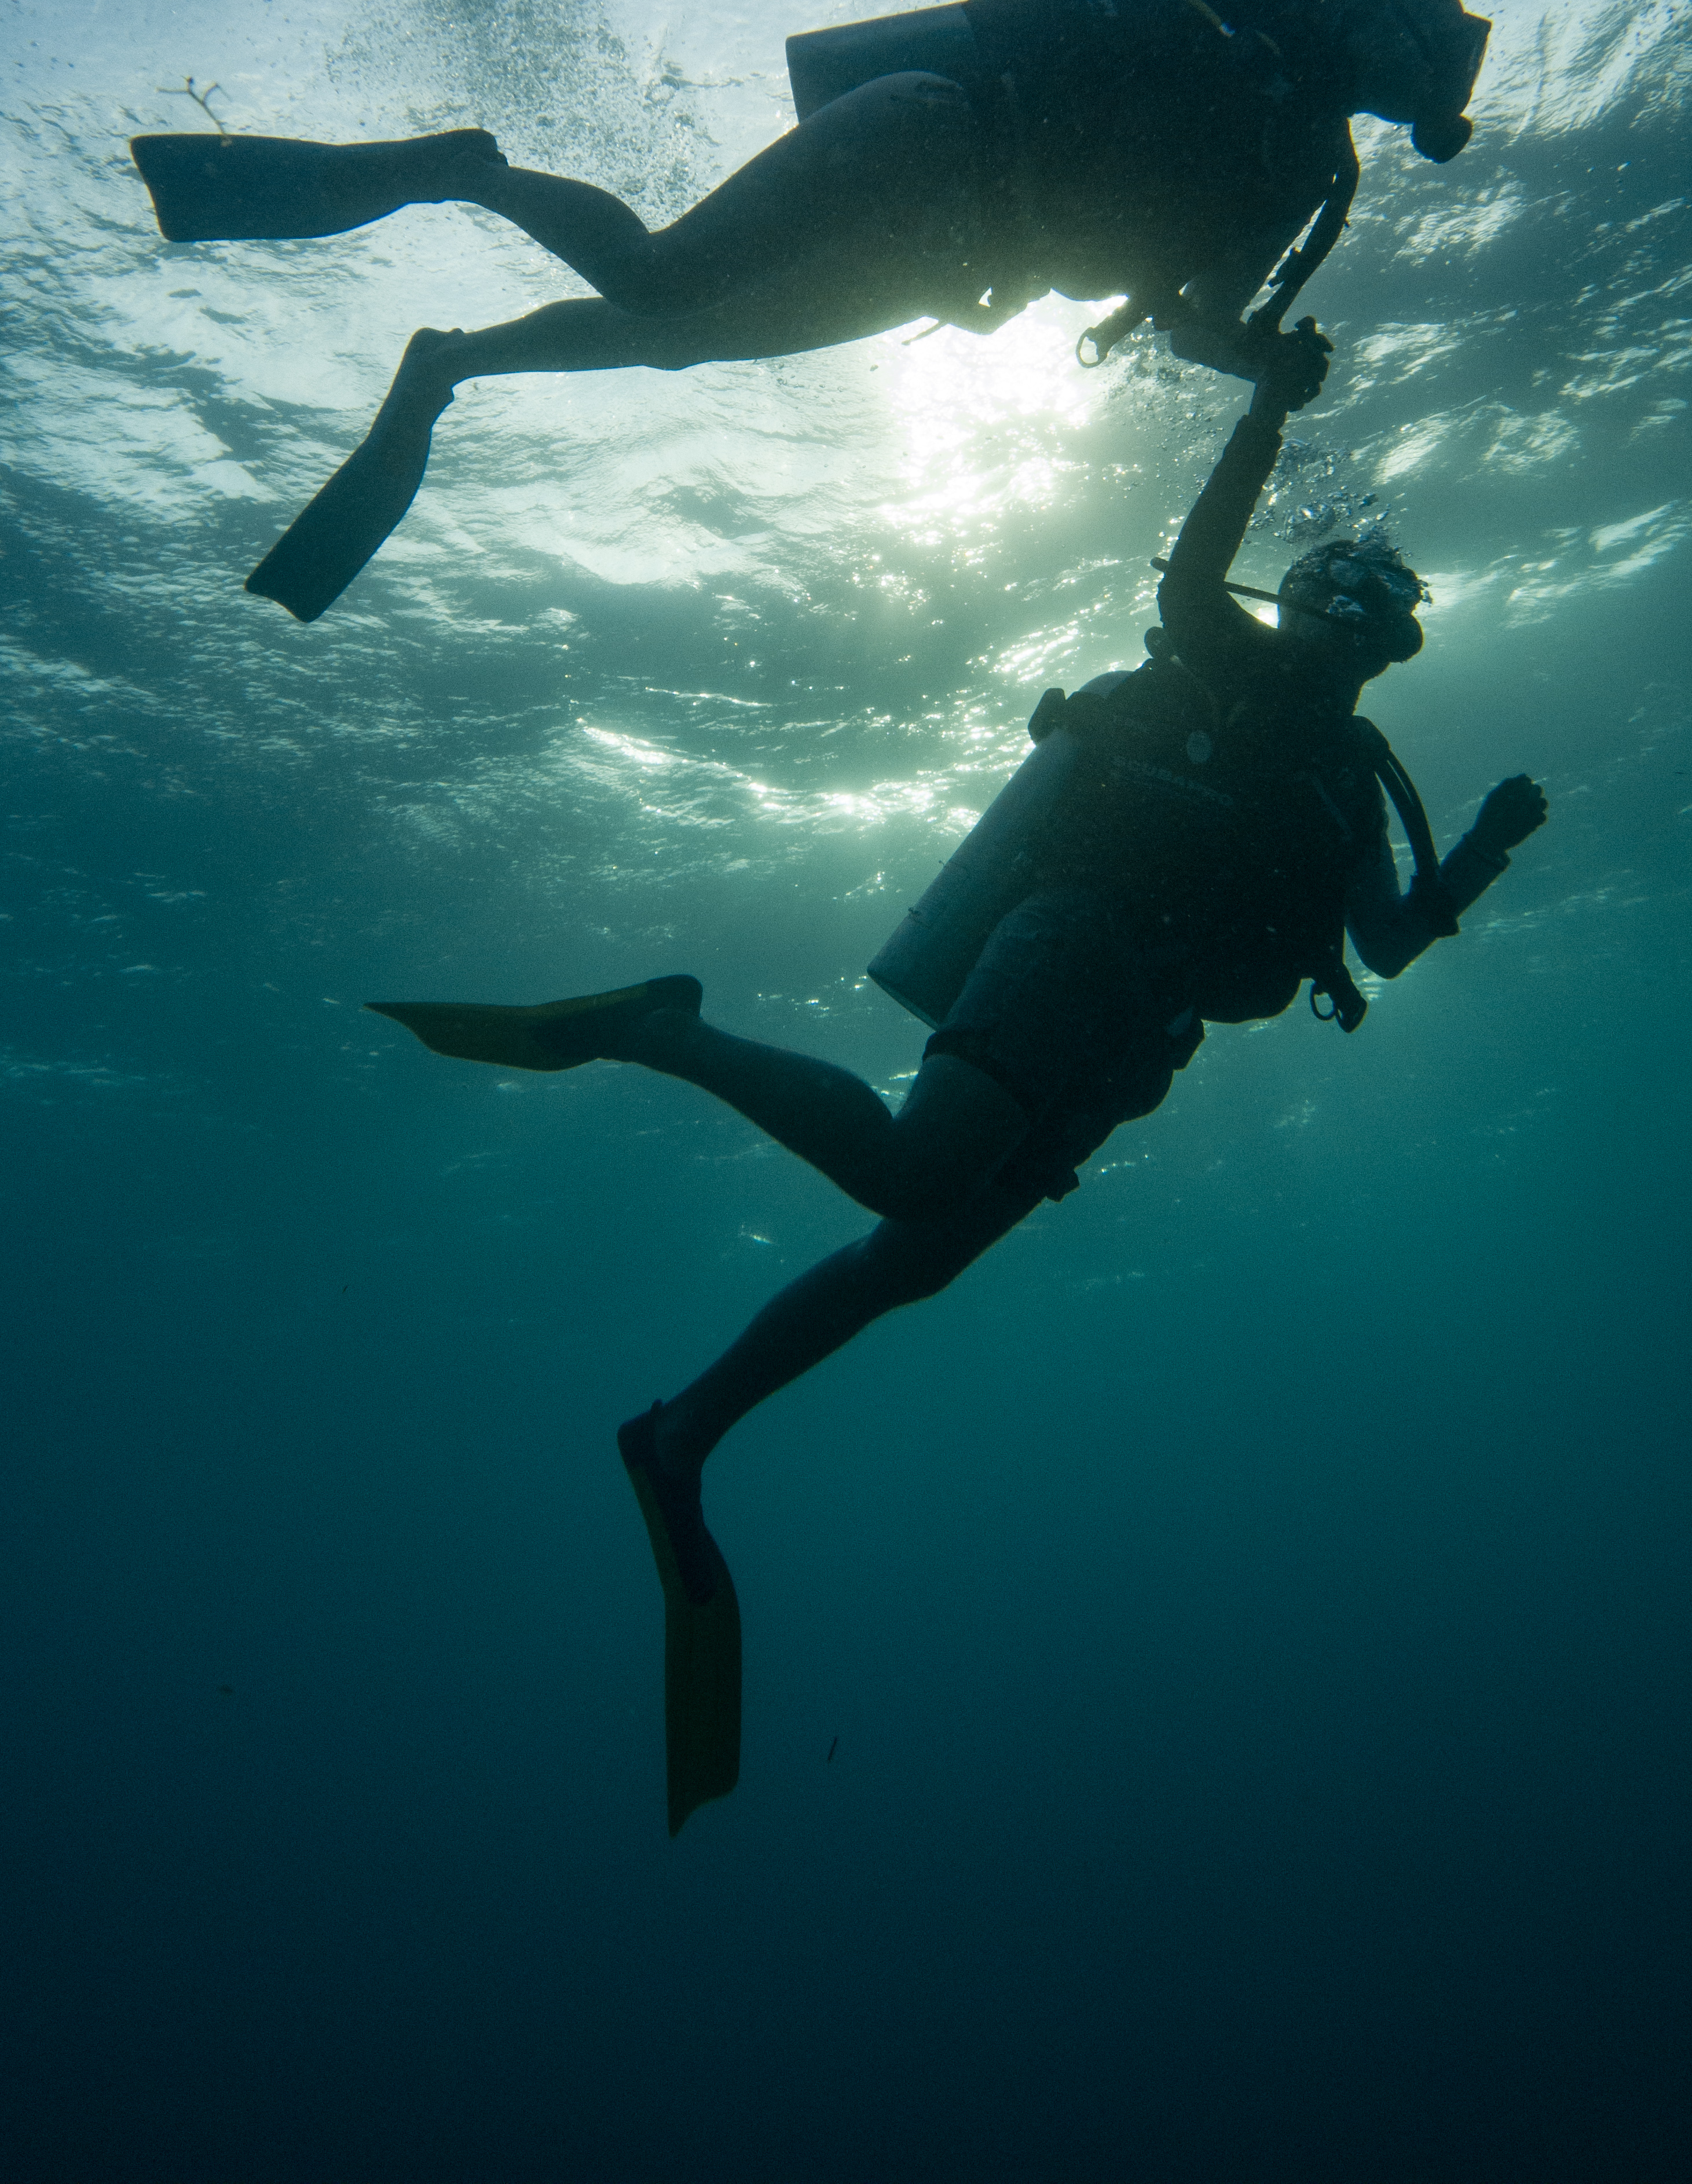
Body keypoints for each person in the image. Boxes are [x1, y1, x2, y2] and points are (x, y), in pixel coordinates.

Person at [372, 324, 1547, 1826]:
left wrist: (1488, 857)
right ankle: (666, 1029)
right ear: (1312, 607)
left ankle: (681, 1437)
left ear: (1395, 647)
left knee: (913, 1259)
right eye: (1351, 606)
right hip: (1070, 946)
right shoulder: (1222, 654)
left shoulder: (1353, 784)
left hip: (1139, 1046)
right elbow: (1193, 569)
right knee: (916, 1178)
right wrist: (1261, 409)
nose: (1363, 634)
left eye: (1384, 624)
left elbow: (1380, 943)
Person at [131, 0, 1494, 618]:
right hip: (934, 138)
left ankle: (453, 365)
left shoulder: (1316, 175)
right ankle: (457, 172)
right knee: (664, 279)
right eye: (1415, 43)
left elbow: (1194, 316)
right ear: (1384, 4)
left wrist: (1262, 360)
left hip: (958, 276)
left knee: (678, 335)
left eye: (1422, 80)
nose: (1395, 77)